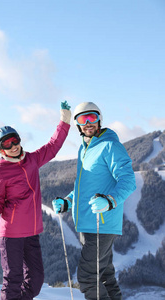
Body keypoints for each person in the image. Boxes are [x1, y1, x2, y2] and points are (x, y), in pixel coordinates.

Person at [0, 101, 71, 300]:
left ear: (19, 140)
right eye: (6, 144)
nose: (12, 146)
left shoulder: (32, 159)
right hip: (10, 234)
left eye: (14, 140)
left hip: (32, 232)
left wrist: (64, 121)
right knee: (13, 281)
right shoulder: (0, 170)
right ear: (0, 149)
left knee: (35, 282)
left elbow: (53, 147)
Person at [52, 102, 136, 300]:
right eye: (83, 119)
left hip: (102, 224)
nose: (88, 123)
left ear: (99, 120)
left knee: (88, 277)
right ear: (78, 125)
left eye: (92, 117)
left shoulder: (110, 146)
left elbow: (128, 180)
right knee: (104, 275)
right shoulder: (85, 150)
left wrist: (109, 201)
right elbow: (84, 188)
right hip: (88, 224)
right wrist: (68, 202)